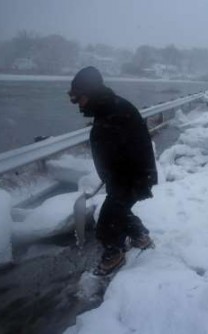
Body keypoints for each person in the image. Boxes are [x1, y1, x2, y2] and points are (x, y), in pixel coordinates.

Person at [68, 66, 158, 276]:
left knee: (107, 222)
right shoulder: (108, 108)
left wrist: (122, 180)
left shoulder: (114, 113)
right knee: (117, 210)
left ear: (89, 94)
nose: (77, 104)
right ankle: (140, 235)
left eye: (78, 98)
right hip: (126, 177)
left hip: (131, 178)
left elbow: (129, 151)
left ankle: (114, 254)